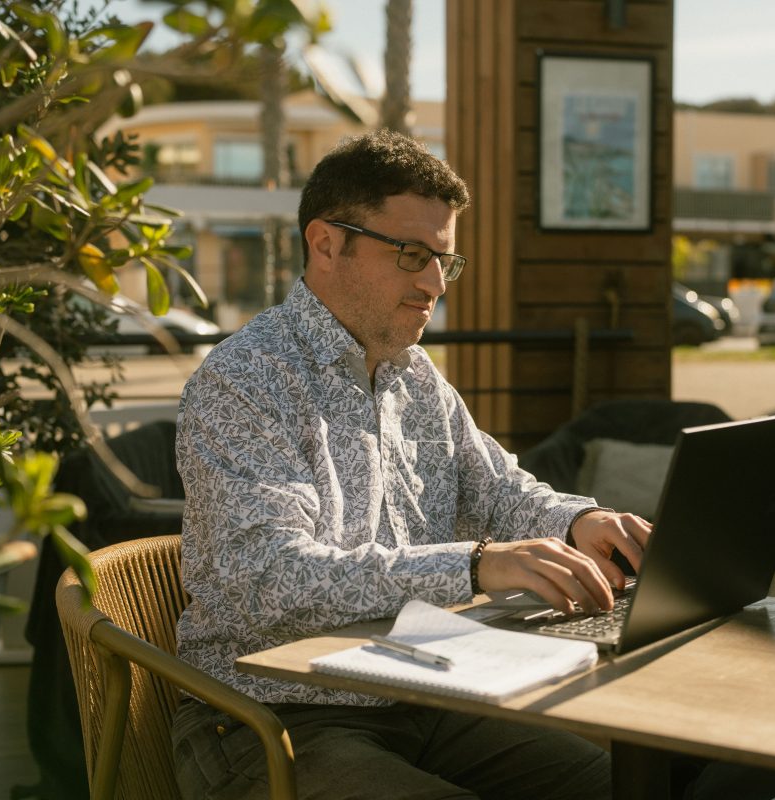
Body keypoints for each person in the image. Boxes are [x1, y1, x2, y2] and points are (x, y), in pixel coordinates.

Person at [173, 129, 652, 799]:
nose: (434, 283)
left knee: (621, 788)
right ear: (325, 243)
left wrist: (581, 523)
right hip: (271, 716)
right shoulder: (244, 380)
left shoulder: (415, 376)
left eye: (444, 262)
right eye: (411, 255)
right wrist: (474, 566)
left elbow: (499, 491)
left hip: (421, 691)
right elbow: (268, 578)